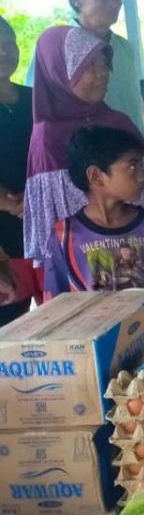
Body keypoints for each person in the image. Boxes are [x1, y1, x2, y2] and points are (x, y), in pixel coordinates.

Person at [24, 26, 144, 268]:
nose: (102, 73)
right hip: (88, 266)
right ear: (59, 72)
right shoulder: (48, 136)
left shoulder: (118, 122)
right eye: (89, 66)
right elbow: (53, 223)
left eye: (104, 63)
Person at [42, 125, 144, 343]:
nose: (143, 176)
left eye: (141, 166)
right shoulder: (64, 236)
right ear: (96, 176)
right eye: (132, 167)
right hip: (101, 354)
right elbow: (55, 305)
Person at [29, 0, 144, 136]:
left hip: (128, 149)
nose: (114, 3)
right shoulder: (59, 51)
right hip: (85, 152)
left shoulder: (124, 48)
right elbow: (41, 104)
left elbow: (134, 107)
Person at [0, 17, 36, 324]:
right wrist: (11, 203)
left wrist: (35, 199)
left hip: (39, 222)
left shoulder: (34, 99)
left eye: (9, 42)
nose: (4, 52)